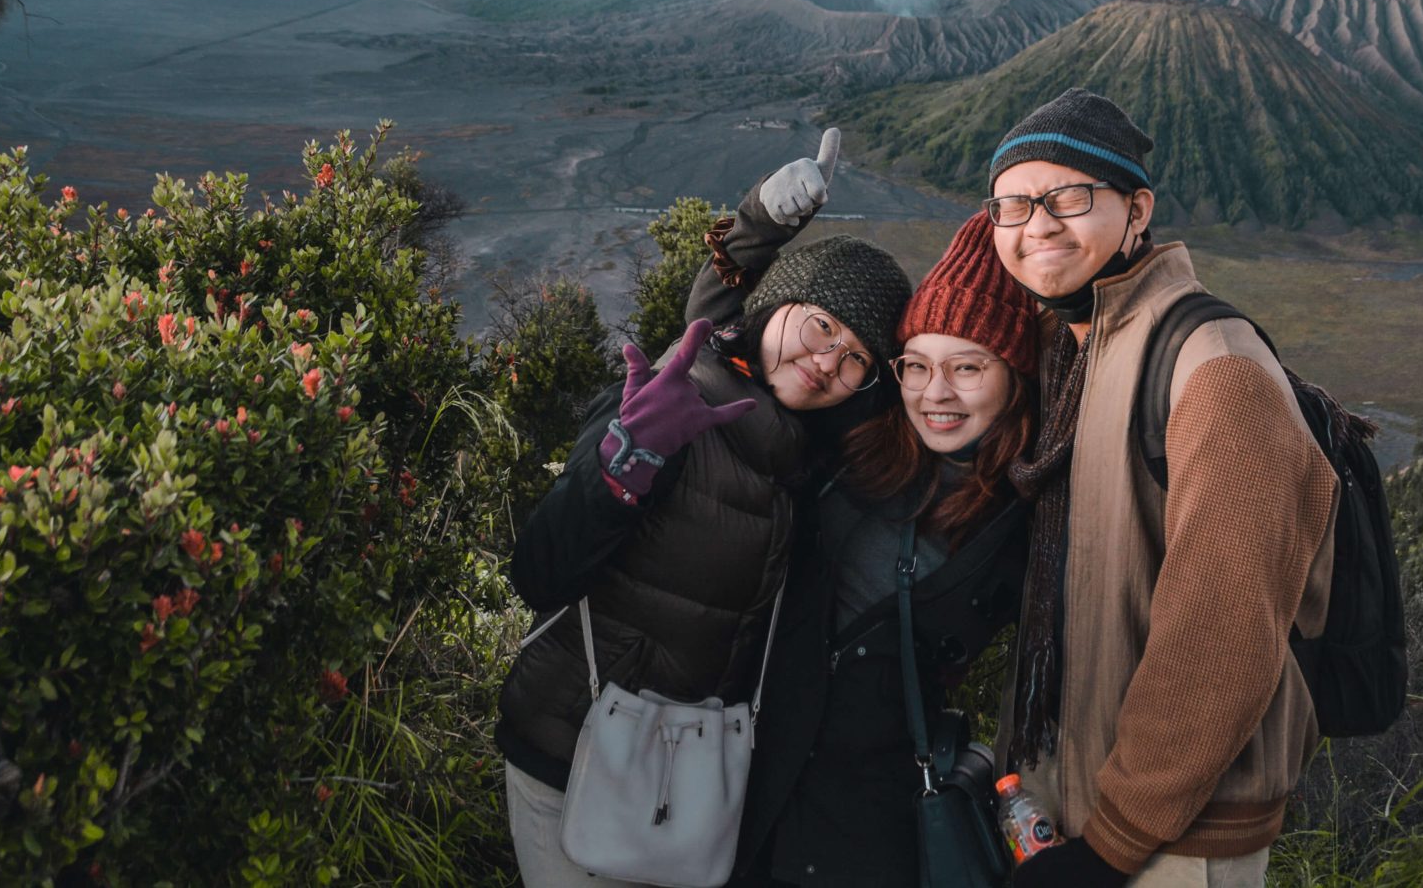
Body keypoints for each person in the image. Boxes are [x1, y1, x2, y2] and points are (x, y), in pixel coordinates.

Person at [496, 134, 912, 888]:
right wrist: (619, 467)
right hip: (571, 753)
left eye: (853, 356)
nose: (827, 361)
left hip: (684, 778)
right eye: (821, 325)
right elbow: (538, 572)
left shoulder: (807, 456)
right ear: (778, 305)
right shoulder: (671, 397)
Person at [984, 88, 1339, 888]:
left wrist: (1112, 843)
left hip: (1175, 840)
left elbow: (1221, 632)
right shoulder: (1081, 348)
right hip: (1078, 801)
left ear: (1137, 209)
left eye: (1067, 197)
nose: (1036, 223)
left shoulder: (1214, 368)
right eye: (1011, 204)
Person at [736, 212, 1040, 886]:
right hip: (748, 775)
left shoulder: (1021, 518)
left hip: (869, 812)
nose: (936, 393)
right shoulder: (852, 432)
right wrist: (752, 229)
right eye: (918, 365)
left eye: (967, 366)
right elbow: (750, 347)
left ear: (1015, 378)